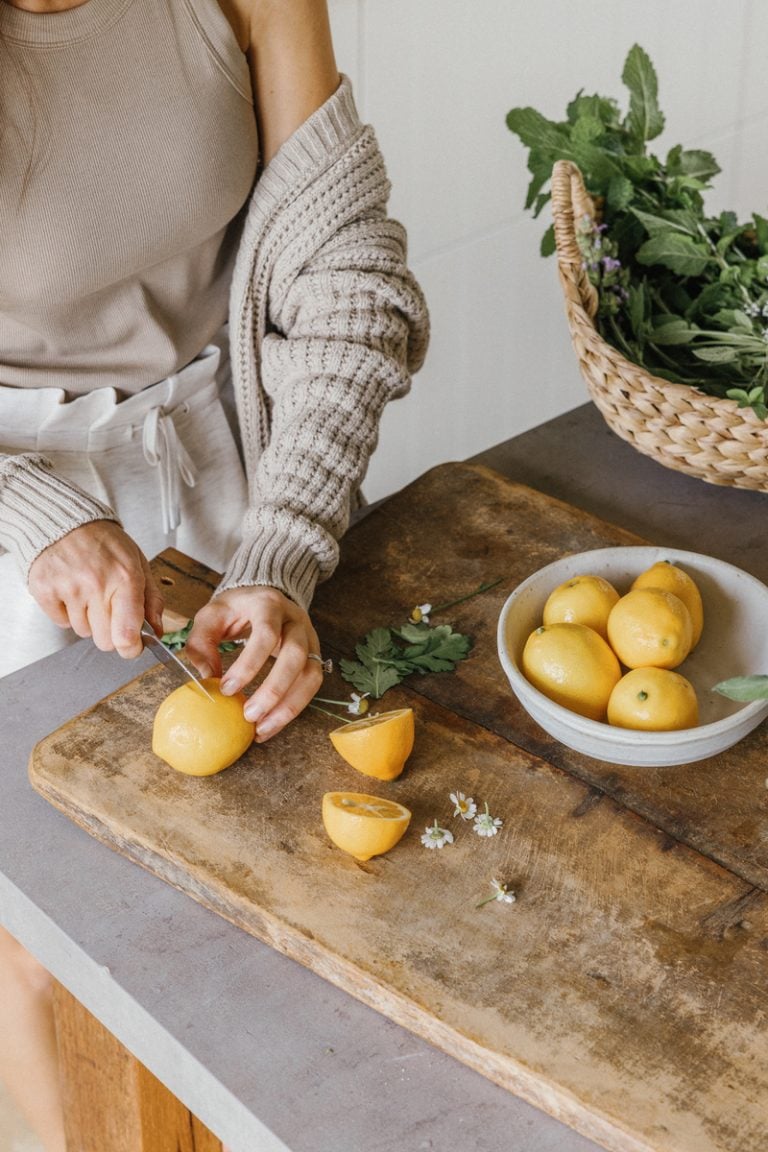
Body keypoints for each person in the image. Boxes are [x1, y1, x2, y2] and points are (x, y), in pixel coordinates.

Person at [0, 0, 429, 1146]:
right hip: (9, 511)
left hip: (233, 458)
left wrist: (281, 546)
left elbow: (348, 283)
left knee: (292, 921)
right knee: (55, 961)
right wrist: (35, 513)